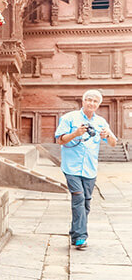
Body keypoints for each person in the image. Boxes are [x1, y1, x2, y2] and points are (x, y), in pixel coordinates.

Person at [55, 90, 117, 249]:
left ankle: (75, 233)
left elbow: (113, 143)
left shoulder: (101, 122)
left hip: (90, 169)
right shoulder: (70, 118)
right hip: (71, 167)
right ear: (83, 101)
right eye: (88, 100)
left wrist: (108, 135)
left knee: (86, 203)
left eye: (95, 101)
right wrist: (76, 133)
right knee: (79, 198)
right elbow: (59, 140)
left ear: (98, 104)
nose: (91, 103)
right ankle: (82, 237)